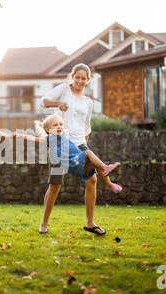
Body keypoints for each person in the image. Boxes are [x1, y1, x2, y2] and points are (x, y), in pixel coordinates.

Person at [39, 63, 122, 235]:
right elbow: (44, 102)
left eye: (83, 78)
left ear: (87, 80)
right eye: (77, 77)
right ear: (72, 76)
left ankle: (90, 223)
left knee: (92, 180)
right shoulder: (63, 89)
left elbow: (87, 126)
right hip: (61, 141)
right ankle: (44, 224)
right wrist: (59, 103)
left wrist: (85, 142)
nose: (80, 80)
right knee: (55, 184)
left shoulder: (88, 102)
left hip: (79, 142)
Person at [16, 114, 122, 234]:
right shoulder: (50, 138)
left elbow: (79, 134)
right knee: (87, 155)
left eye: (61, 124)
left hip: (76, 159)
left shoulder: (65, 136)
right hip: (67, 160)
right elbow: (35, 139)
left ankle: (109, 183)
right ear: (48, 130)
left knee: (92, 162)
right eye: (55, 125)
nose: (59, 126)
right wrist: (20, 135)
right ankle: (106, 170)